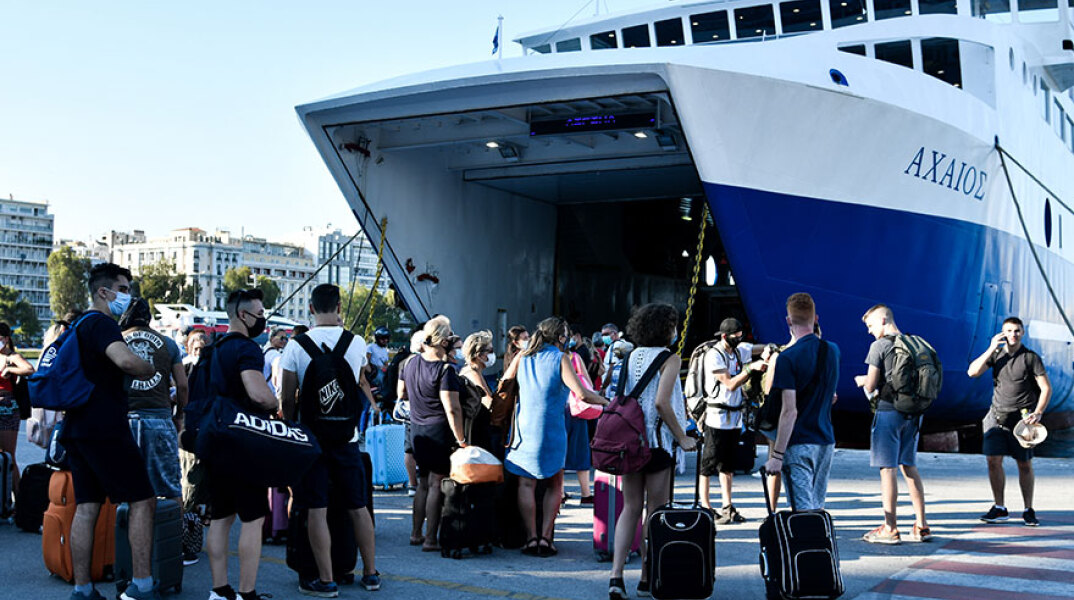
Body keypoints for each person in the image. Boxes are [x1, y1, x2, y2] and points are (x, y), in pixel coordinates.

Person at [61, 263, 158, 600]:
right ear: (104, 292)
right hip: (105, 426)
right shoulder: (102, 323)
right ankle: (143, 585)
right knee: (143, 500)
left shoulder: (77, 324)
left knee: (87, 506)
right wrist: (148, 369)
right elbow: (127, 362)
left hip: (76, 425)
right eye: (124, 288)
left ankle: (83, 589)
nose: (127, 296)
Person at [278, 284, 379, 596]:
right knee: (358, 506)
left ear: (310, 309)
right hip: (347, 438)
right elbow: (362, 377)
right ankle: (371, 573)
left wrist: (296, 425)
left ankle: (325, 580)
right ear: (338, 307)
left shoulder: (296, 346)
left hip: (313, 440)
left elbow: (287, 399)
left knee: (316, 509)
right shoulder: (356, 342)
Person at [607, 304, 697, 600]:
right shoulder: (669, 359)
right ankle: (648, 577)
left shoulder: (631, 355)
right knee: (655, 512)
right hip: (657, 443)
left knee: (630, 508)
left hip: (629, 442)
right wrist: (682, 437)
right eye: (673, 325)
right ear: (665, 328)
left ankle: (616, 576)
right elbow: (661, 402)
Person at [502, 317, 607, 557]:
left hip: (523, 428)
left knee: (525, 484)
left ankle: (530, 538)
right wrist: (607, 402)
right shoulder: (560, 358)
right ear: (560, 337)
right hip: (551, 428)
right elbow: (582, 393)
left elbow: (505, 382)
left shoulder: (524, 356)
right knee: (554, 484)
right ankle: (546, 538)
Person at [204, 288, 280, 600]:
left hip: (215, 439)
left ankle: (220, 590)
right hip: (243, 442)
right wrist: (275, 401)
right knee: (253, 518)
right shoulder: (247, 349)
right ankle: (247, 592)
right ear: (243, 315)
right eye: (261, 314)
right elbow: (259, 393)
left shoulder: (215, 348)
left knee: (221, 518)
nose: (263, 320)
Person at [854, 304, 932, 544]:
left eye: (870, 325)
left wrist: (862, 381)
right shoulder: (915, 342)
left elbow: (871, 384)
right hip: (914, 413)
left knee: (887, 469)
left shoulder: (879, 345)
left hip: (889, 412)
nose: (869, 331)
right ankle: (921, 525)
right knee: (908, 465)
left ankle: (890, 528)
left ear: (884, 320)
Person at [967, 316, 1051, 527]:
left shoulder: (1030, 358)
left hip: (1022, 419)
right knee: (993, 461)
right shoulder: (996, 355)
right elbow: (972, 372)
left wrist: (1039, 412)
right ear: (1002, 333)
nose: (1012, 335)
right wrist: (991, 348)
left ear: (1022, 333)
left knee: (1024, 464)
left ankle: (1028, 509)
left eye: (1016, 331)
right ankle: (1000, 508)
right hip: (995, 417)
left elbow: (1046, 388)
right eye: (1008, 331)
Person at [762, 293, 840, 511]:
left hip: (799, 441)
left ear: (788, 321)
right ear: (816, 319)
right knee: (817, 504)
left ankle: (808, 543)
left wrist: (777, 456)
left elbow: (789, 411)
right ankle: (819, 543)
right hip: (825, 439)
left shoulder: (787, 358)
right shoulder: (833, 351)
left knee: (802, 509)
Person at [398, 316, 466, 552]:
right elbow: (452, 408)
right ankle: (430, 539)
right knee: (437, 483)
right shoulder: (445, 370)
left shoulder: (409, 364)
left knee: (423, 483)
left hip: (417, 429)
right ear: (444, 341)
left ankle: (415, 533)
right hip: (438, 430)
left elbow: (404, 394)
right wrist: (461, 439)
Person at [119, 298, 188, 512]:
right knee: (170, 488)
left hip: (124, 421)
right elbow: (183, 385)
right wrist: (180, 415)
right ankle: (175, 541)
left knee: (123, 489)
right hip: (159, 419)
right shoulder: (168, 344)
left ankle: (121, 542)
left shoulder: (117, 342)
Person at [698, 318, 769, 524]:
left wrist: (771, 348)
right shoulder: (714, 355)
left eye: (740, 337)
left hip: (735, 417)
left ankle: (727, 506)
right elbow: (729, 384)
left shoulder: (738, 350)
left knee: (728, 465)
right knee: (708, 465)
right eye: (735, 337)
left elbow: (757, 348)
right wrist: (750, 369)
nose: (738, 340)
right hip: (717, 417)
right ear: (724, 337)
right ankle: (706, 506)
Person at [0, 321, 34, 494]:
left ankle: (19, 502)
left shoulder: (11, 356)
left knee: (8, 456)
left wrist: (11, 369)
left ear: (5, 339)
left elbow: (29, 369)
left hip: (6, 407)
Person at [564, 326, 596, 505]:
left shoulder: (548, 358)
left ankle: (559, 492)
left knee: (559, 451)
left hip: (559, 409)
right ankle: (585, 492)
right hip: (577, 409)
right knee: (581, 450)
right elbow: (587, 382)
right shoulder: (574, 358)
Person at [261, 327, 288, 395]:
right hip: (272, 393)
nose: (284, 341)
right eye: (281, 338)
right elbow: (279, 376)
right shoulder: (275, 354)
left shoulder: (266, 352)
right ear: (272, 338)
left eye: (286, 339)